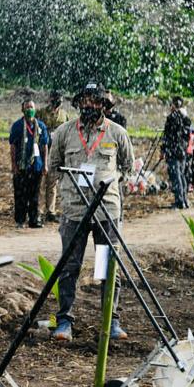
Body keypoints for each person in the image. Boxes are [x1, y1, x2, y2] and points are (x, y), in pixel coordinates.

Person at [47, 82, 134, 342]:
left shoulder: (117, 133)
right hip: (74, 211)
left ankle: (111, 320)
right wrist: (69, 187)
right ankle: (64, 321)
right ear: (78, 103)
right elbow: (54, 167)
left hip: (106, 211)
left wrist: (110, 184)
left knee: (105, 267)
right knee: (70, 266)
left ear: (104, 105)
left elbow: (127, 168)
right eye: (85, 100)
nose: (89, 105)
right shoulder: (64, 133)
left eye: (95, 101)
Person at [9, 99, 48, 228]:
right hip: (21, 166)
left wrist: (45, 164)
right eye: (27, 107)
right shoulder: (17, 126)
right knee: (20, 195)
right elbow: (13, 146)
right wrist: (14, 165)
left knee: (35, 195)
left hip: (36, 165)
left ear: (35, 109)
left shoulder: (41, 126)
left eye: (31, 107)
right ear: (22, 109)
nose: (29, 109)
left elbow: (44, 146)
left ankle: (34, 219)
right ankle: (20, 220)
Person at [40, 90, 71, 222]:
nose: (58, 102)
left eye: (60, 100)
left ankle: (50, 211)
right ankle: (39, 210)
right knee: (41, 182)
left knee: (52, 182)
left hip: (57, 151)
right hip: (43, 149)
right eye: (56, 99)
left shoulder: (64, 115)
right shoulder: (41, 113)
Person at [161, 96, 191, 209]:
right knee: (182, 175)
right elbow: (187, 136)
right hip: (182, 151)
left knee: (176, 175)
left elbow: (167, 136)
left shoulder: (171, 118)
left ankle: (179, 201)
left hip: (173, 151)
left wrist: (163, 149)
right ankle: (184, 199)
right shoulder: (186, 118)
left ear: (174, 105)